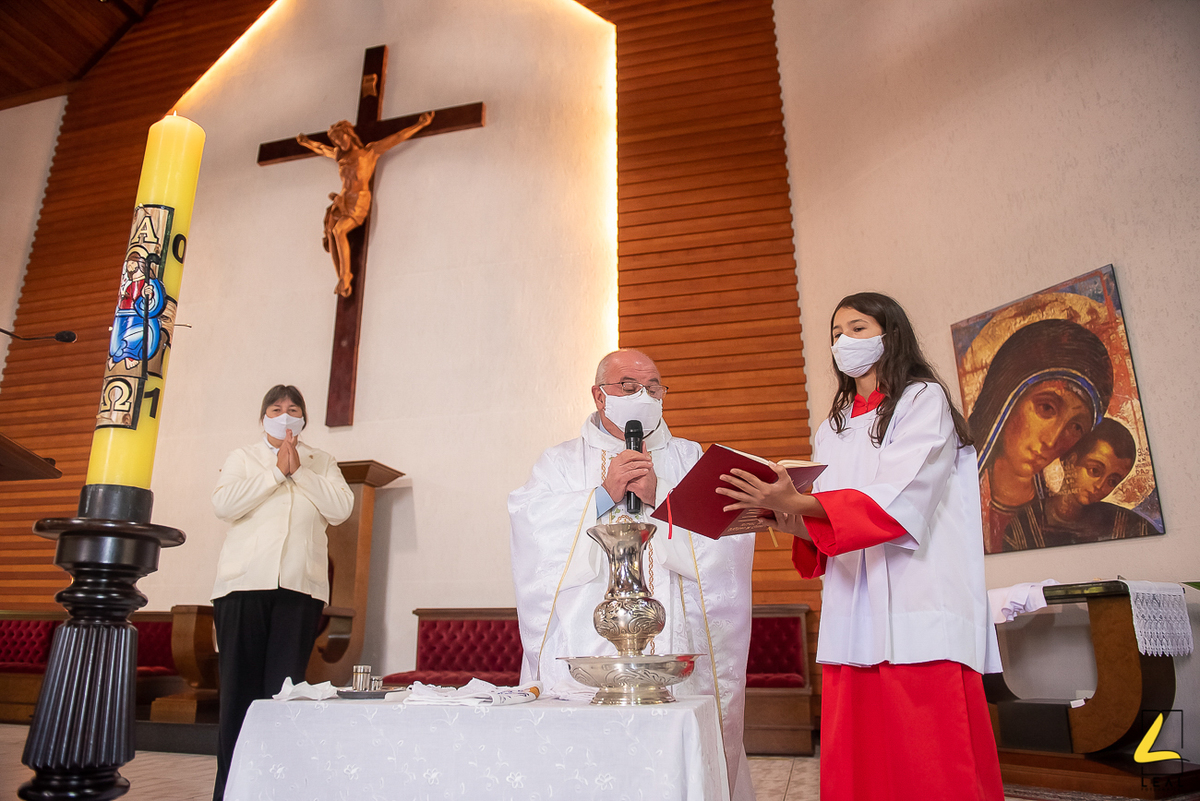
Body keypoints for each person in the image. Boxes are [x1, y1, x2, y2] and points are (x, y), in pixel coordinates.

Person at [717, 292, 1003, 801]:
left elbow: (899, 501)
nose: (843, 343)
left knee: (931, 761)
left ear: (891, 336)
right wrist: (781, 514)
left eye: (857, 329)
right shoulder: (835, 427)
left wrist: (803, 507)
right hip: (853, 609)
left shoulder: (922, 401)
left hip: (920, 603)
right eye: (835, 335)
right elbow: (831, 525)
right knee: (860, 764)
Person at [508, 349, 757, 801]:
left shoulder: (689, 458)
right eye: (628, 386)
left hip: (678, 642)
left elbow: (728, 539)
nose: (643, 395)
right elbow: (532, 533)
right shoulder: (559, 463)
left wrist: (660, 495)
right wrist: (601, 497)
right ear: (599, 396)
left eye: (654, 387)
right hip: (588, 642)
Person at [209, 385, 354, 800]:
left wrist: (299, 472)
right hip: (242, 588)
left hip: (299, 591)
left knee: (283, 693)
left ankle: (275, 790)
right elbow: (225, 505)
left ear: (304, 419)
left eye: (293, 409)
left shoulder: (322, 462)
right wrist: (275, 472)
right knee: (238, 693)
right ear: (263, 417)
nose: (285, 415)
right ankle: (230, 791)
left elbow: (340, 509)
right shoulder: (243, 458)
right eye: (276, 408)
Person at [966, 318, 1114, 552]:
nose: (1053, 441)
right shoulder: (952, 506)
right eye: (1046, 408)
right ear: (1006, 399)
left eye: (1075, 427)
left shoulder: (1057, 520)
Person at [296, 112, 434, 297]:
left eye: (339, 137)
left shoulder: (369, 152)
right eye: (335, 140)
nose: (338, 143)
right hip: (342, 198)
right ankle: (342, 280)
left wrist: (420, 124)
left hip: (358, 199)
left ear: (348, 134)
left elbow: (397, 137)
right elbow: (321, 148)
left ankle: (345, 277)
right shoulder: (339, 155)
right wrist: (306, 142)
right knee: (331, 233)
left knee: (339, 231)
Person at [1004, 417, 1157, 549]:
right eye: (1095, 471)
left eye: (1112, 481)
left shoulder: (1129, 525)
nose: (1100, 486)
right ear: (1071, 461)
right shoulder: (1022, 526)